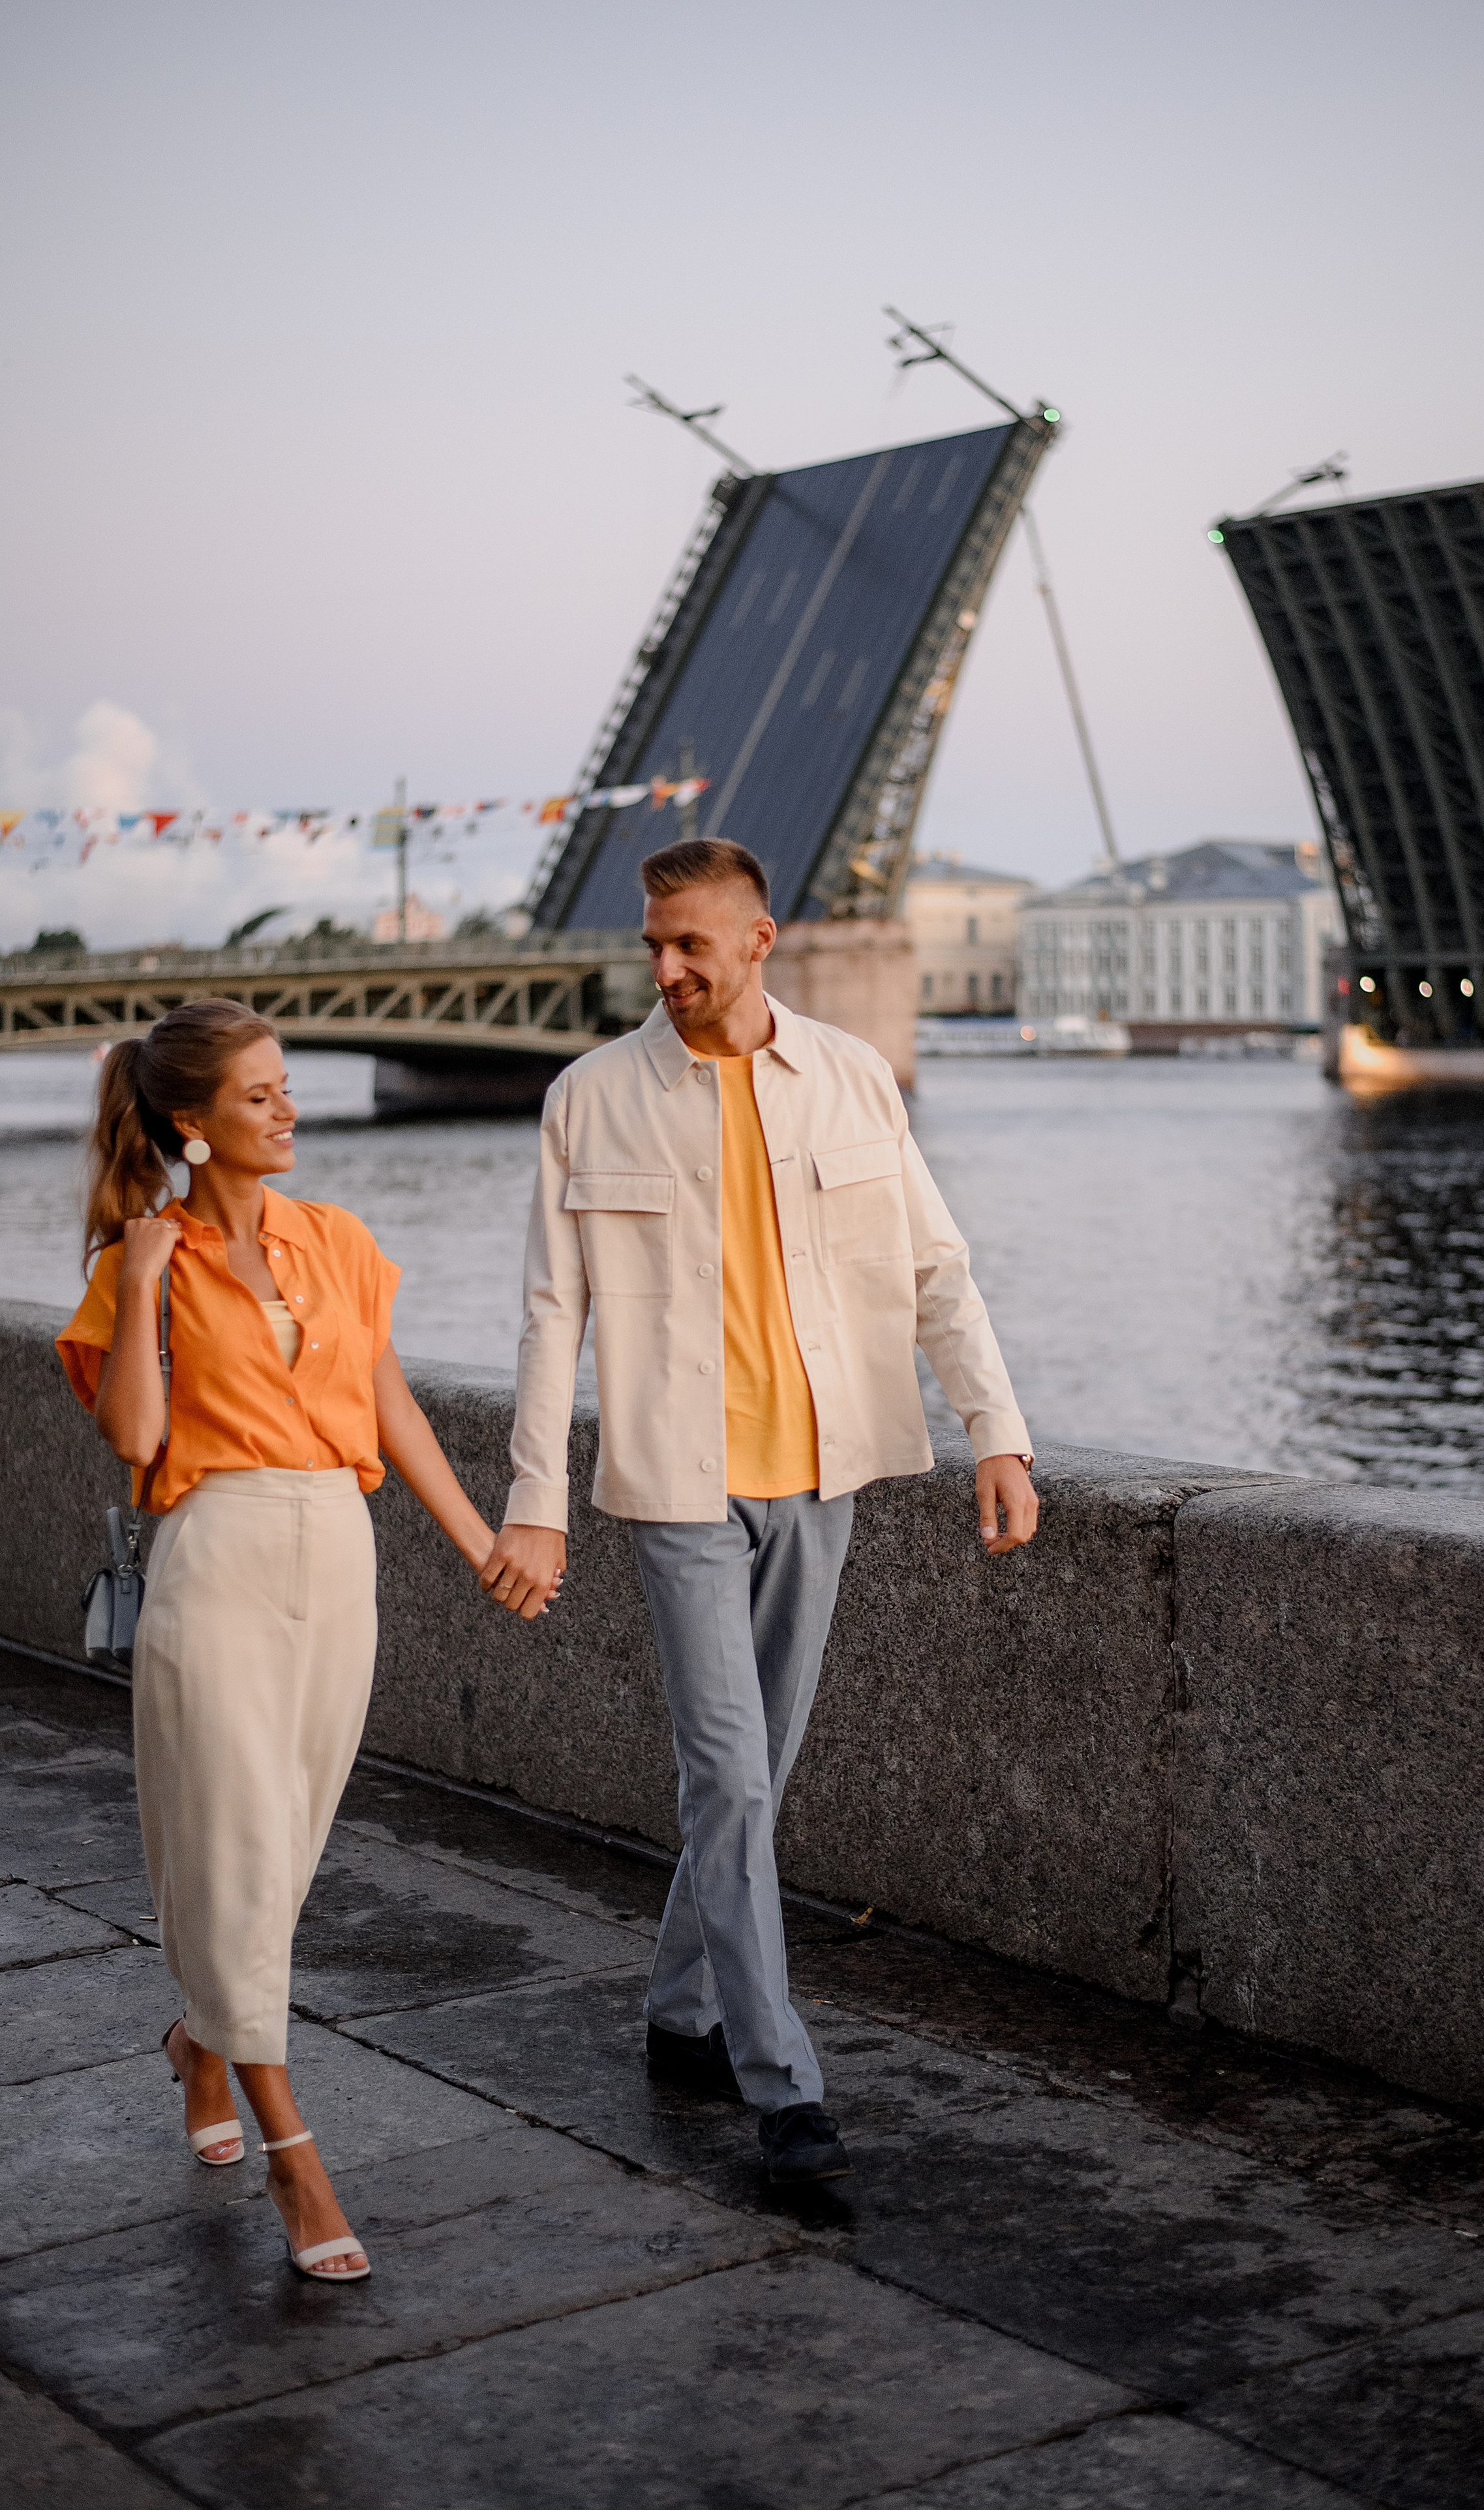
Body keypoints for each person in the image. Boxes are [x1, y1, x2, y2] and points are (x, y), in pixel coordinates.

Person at [477, 838, 1037, 2185]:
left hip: (822, 1473)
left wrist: (995, 1434)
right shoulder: (589, 1099)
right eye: (652, 945)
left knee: (757, 1778)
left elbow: (933, 1268)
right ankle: (780, 2080)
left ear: (756, 940)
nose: (663, 970)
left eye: (688, 946)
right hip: (676, 1486)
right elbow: (555, 1318)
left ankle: (678, 2007)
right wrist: (535, 1503)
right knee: (726, 1773)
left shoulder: (846, 1077)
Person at [57, 999, 518, 2284]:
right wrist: (144, 1274)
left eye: (285, 1086)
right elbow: (138, 1440)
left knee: (290, 1844)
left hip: (337, 1551)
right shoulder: (141, 1263)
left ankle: (200, 2041)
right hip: (219, 1555)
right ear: (193, 1124)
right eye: (257, 1096)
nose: (287, 1108)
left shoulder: (340, 1243)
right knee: (237, 1839)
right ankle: (293, 2153)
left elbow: (390, 1405)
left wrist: (481, 1540)